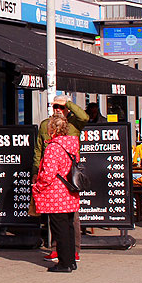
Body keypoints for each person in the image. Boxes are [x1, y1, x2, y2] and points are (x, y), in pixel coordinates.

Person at [34, 95, 87, 261]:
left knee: (70, 219)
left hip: (66, 176)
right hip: (51, 175)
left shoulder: (73, 123)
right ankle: (60, 250)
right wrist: (36, 170)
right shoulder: (45, 125)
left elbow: (84, 117)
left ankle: (72, 251)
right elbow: (38, 149)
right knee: (56, 218)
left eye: (61, 107)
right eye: (55, 106)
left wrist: (68, 103)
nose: (58, 109)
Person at [33, 115, 80, 273]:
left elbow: (48, 173)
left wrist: (38, 186)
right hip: (69, 191)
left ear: (52, 129)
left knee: (59, 229)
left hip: (55, 193)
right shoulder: (71, 145)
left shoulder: (53, 147)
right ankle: (71, 261)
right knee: (68, 226)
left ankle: (64, 263)